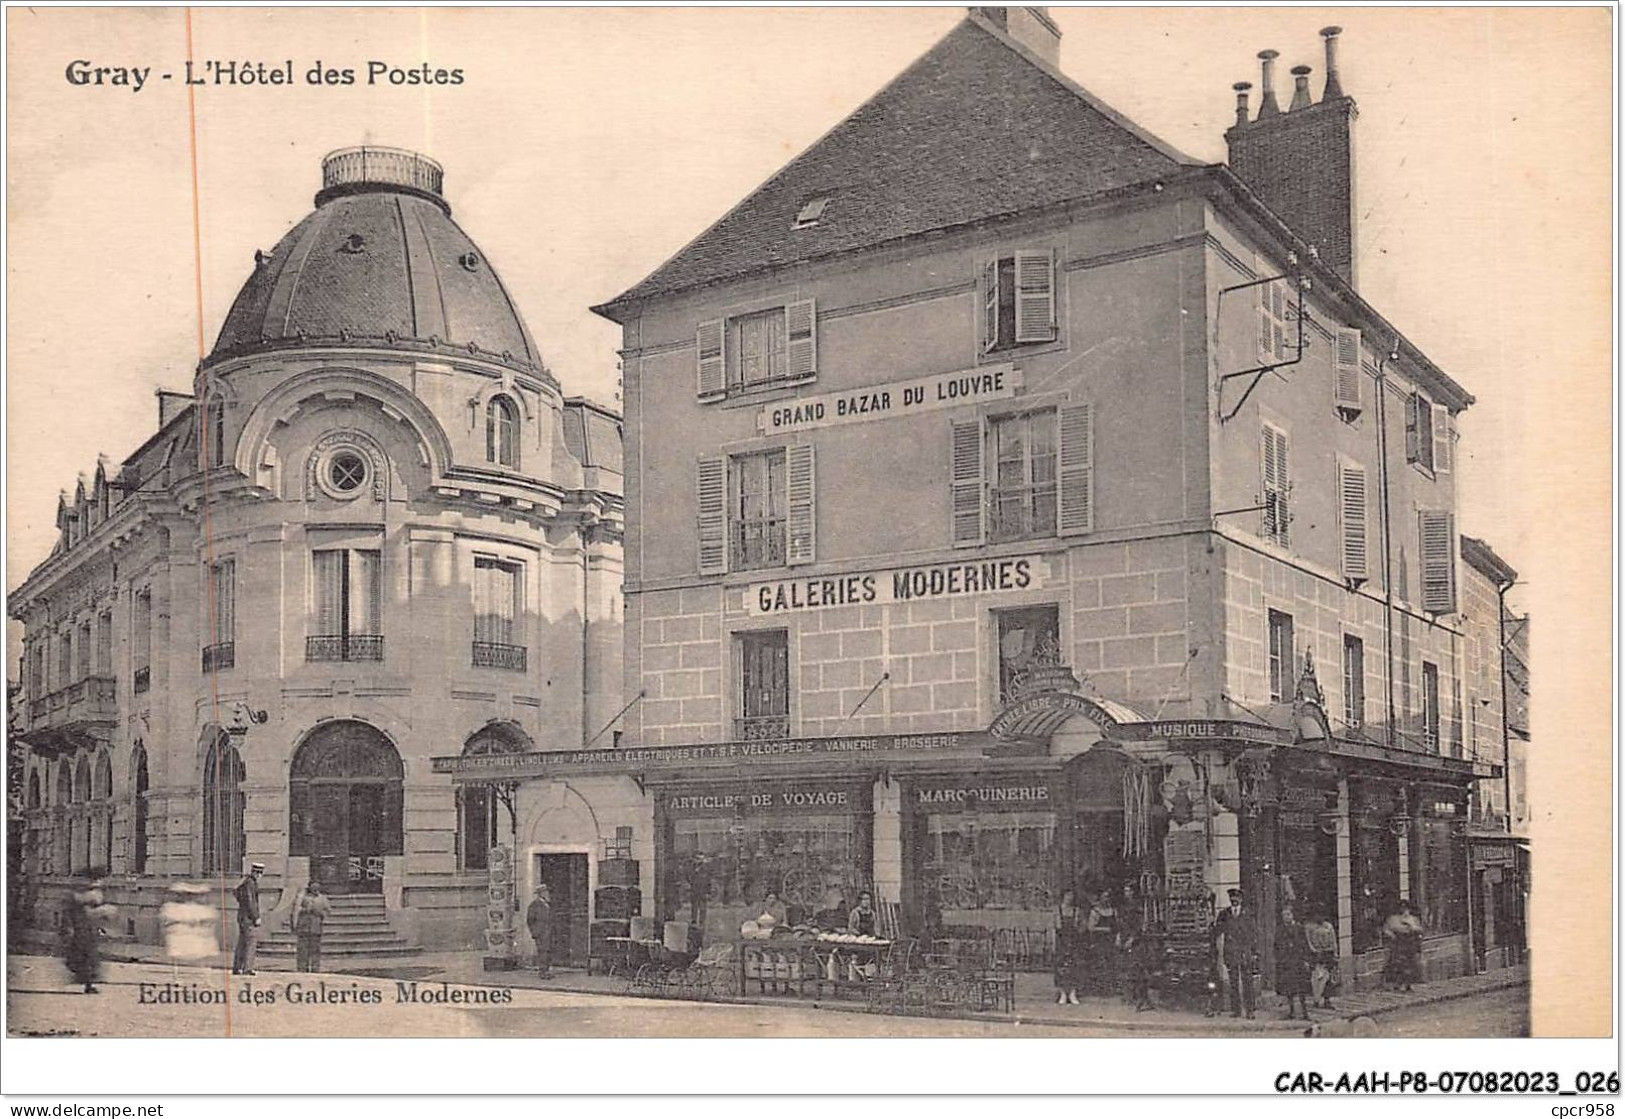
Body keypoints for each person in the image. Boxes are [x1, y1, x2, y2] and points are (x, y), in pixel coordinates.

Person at [64, 877, 115, 994]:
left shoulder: (84, 902)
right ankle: (86, 982)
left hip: (87, 934)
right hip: (82, 934)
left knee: (87, 959)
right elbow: (85, 917)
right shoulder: (82, 902)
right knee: (86, 959)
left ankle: (87, 982)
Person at [1211, 888, 1256, 1018]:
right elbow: (1218, 931)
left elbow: (1253, 933)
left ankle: (1250, 1010)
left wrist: (1253, 952)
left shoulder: (1247, 913)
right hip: (1231, 952)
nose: (1234, 901)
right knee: (1233, 982)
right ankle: (1236, 1010)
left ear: (1241, 899)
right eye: (1232, 899)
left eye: (1237, 899)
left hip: (1244, 952)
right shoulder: (1224, 914)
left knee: (1247, 982)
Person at [1274, 905, 1312, 1020]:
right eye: (1284, 915)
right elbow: (1275, 946)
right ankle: (1291, 1011)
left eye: (1288, 914)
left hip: (1298, 961)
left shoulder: (1299, 928)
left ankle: (1305, 1012)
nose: (1286, 917)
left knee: (1301, 988)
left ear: (1292, 915)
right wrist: (1279, 959)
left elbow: (1305, 944)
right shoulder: (1279, 930)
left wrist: (1306, 960)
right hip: (1286, 963)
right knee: (1289, 989)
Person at [1382, 898, 1424, 992]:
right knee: (1397, 964)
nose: (1404, 910)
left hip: (1410, 942)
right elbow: (1386, 929)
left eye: (1406, 908)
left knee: (1410, 964)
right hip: (1398, 943)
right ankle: (1396, 983)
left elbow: (1419, 929)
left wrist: (1411, 926)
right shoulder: (1393, 918)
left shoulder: (1413, 918)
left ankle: (1408, 984)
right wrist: (1391, 935)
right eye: (1401, 908)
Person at [291, 879, 332, 972]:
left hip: (316, 927)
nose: (315, 889)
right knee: (302, 949)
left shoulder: (322, 898)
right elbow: (296, 910)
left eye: (317, 887)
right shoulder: (302, 897)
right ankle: (302, 967)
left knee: (315, 949)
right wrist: (305, 910)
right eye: (313, 887)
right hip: (303, 926)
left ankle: (315, 967)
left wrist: (321, 913)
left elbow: (328, 911)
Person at [1083, 889, 1119, 996]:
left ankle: (1110, 988)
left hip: (1110, 940)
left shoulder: (1113, 911)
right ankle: (1099, 988)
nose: (1106, 899)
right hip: (1099, 940)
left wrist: (1116, 936)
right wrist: (1104, 929)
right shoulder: (1096, 911)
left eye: (1108, 897)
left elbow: (1116, 926)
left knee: (1111, 963)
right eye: (1104, 897)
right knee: (1099, 963)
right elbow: (1090, 927)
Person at [231, 863, 265, 976]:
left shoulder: (244, 882)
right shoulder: (251, 883)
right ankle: (247, 968)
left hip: (242, 916)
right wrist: (256, 917)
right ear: (257, 873)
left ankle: (237, 967)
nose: (260, 876)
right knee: (251, 943)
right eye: (260, 873)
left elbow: (236, 894)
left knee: (242, 943)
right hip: (249, 918)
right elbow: (251, 902)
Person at [1053, 888, 1084, 1005]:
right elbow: (1055, 927)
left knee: (1074, 966)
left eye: (1071, 895)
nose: (1069, 898)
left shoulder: (1077, 911)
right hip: (1061, 941)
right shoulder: (1057, 910)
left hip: (1074, 941)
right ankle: (1062, 993)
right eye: (1067, 895)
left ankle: (1072, 992)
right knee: (1061, 966)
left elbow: (1081, 927)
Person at [1305, 911, 1340, 1009]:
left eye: (1322, 915)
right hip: (1316, 954)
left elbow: (1333, 940)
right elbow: (1308, 941)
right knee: (1316, 977)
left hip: (1327, 953)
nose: (1320, 917)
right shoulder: (1309, 927)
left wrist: (1335, 953)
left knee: (1328, 978)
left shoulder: (1328, 926)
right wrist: (1314, 951)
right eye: (1318, 915)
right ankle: (1316, 999)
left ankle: (1327, 1000)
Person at [1127, 919, 1164, 1012]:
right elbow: (1129, 946)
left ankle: (1150, 1002)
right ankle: (1141, 1001)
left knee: (1152, 981)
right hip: (1141, 960)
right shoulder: (1139, 940)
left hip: (1150, 960)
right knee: (1141, 981)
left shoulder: (1153, 940)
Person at [526, 883, 553, 978]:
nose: (547, 893)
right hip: (540, 932)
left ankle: (546, 970)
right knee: (542, 951)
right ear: (540, 893)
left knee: (547, 951)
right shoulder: (535, 905)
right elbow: (530, 920)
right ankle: (543, 972)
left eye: (547, 892)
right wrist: (535, 932)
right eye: (545, 892)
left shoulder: (547, 904)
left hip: (547, 931)